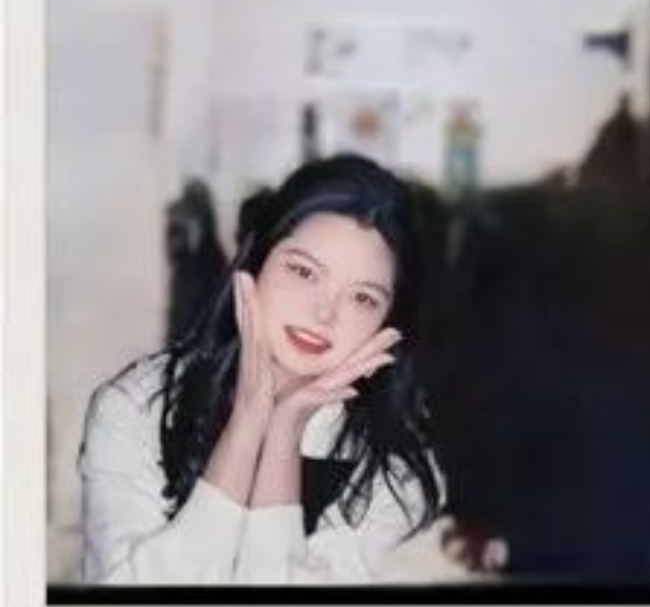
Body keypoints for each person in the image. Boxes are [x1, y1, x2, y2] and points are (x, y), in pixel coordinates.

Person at [78, 154, 444, 584]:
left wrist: (284, 430)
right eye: (303, 271)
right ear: (256, 261)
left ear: (388, 323)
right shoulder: (137, 405)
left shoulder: (397, 473)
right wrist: (248, 422)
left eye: (363, 298)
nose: (324, 313)